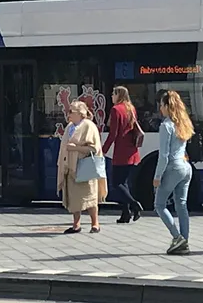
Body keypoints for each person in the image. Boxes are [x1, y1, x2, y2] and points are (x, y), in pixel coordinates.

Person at [57, 100, 107, 234]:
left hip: (84, 167)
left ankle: (95, 224)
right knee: (73, 198)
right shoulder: (69, 127)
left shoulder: (89, 126)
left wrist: (76, 148)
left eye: (71, 112)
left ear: (80, 113)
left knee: (90, 196)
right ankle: (76, 224)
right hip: (70, 167)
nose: (68, 115)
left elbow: (94, 148)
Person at [153, 90, 193, 255]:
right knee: (181, 205)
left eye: (161, 105)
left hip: (173, 167)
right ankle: (185, 240)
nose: (160, 108)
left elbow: (163, 156)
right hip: (186, 167)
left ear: (167, 107)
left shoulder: (166, 125)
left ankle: (177, 237)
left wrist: (157, 176)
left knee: (159, 204)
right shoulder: (183, 123)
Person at [102, 86, 142, 224]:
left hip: (121, 152)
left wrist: (104, 150)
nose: (111, 96)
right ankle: (125, 214)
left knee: (116, 183)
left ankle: (134, 205)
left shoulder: (115, 110)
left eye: (113, 93)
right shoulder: (131, 108)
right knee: (124, 182)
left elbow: (113, 134)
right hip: (132, 151)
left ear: (119, 95)